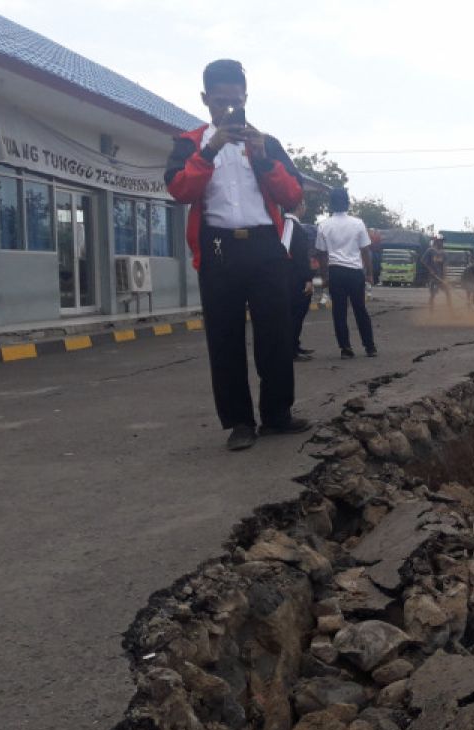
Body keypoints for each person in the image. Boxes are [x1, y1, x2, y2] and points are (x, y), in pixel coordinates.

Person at [165, 58, 307, 451]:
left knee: (275, 335)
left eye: (235, 100)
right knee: (225, 338)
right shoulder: (190, 144)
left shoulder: (267, 142)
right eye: (219, 101)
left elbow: (293, 196)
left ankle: (277, 414)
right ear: (205, 99)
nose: (228, 108)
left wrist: (262, 158)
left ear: (246, 97)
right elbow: (179, 190)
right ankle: (240, 422)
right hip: (218, 250)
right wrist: (211, 150)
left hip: (265, 247)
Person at [315, 187, 377, 358]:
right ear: (347, 203)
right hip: (355, 272)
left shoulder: (323, 225)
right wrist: (369, 273)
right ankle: (369, 346)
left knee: (339, 312)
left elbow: (321, 254)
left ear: (331, 204)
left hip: (335, 272)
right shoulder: (358, 223)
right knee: (360, 309)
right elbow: (365, 250)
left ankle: (346, 348)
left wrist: (324, 276)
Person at [282, 197, 315, 360]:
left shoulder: (292, 225)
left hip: (294, 276)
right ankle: (290, 350)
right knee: (295, 313)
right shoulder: (289, 224)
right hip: (294, 278)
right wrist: (307, 278)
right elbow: (289, 252)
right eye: (304, 204)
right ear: (299, 206)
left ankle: (294, 344)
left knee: (298, 313)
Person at [422, 234, 451, 311]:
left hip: (441, 278)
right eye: (440, 241)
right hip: (433, 278)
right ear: (436, 242)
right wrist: (430, 269)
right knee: (433, 295)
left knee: (448, 293)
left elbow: (444, 266)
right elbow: (423, 261)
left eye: (442, 242)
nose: (442, 243)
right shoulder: (430, 251)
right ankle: (431, 312)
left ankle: (451, 312)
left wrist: (445, 278)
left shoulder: (444, 253)